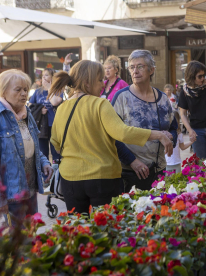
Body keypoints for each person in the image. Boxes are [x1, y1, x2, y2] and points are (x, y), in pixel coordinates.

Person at [50, 60, 173, 214]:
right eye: (100, 80)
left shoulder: (62, 108)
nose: (103, 85)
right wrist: (159, 135)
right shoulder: (100, 104)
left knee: (78, 231)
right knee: (106, 229)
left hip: (70, 180)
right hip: (102, 179)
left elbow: (55, 142)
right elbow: (122, 132)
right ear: (87, 82)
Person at [0, 69, 54, 225]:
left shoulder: (26, 112)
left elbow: (32, 144)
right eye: (18, 90)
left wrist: (44, 162)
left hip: (30, 188)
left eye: (25, 89)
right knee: (20, 242)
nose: (24, 93)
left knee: (32, 235)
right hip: (12, 194)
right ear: (3, 91)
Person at [112, 50, 178, 192]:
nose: (135, 71)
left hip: (158, 170)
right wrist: (132, 161)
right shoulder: (121, 98)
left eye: (140, 66)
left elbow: (173, 127)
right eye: (131, 67)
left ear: (151, 70)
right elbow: (112, 135)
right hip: (130, 172)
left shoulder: (163, 99)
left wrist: (171, 138)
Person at [178, 60, 206, 159]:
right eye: (200, 76)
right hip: (196, 131)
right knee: (201, 162)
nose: (203, 78)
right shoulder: (184, 92)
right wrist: (189, 130)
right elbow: (183, 114)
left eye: (204, 75)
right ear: (191, 76)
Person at [29, 67, 64, 162]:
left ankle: (56, 173)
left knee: (56, 152)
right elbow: (30, 106)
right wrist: (40, 110)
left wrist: (49, 88)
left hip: (54, 124)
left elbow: (54, 103)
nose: (43, 78)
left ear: (52, 77)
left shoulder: (58, 91)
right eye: (43, 75)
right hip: (41, 125)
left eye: (46, 75)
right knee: (43, 152)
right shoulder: (37, 91)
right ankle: (45, 173)